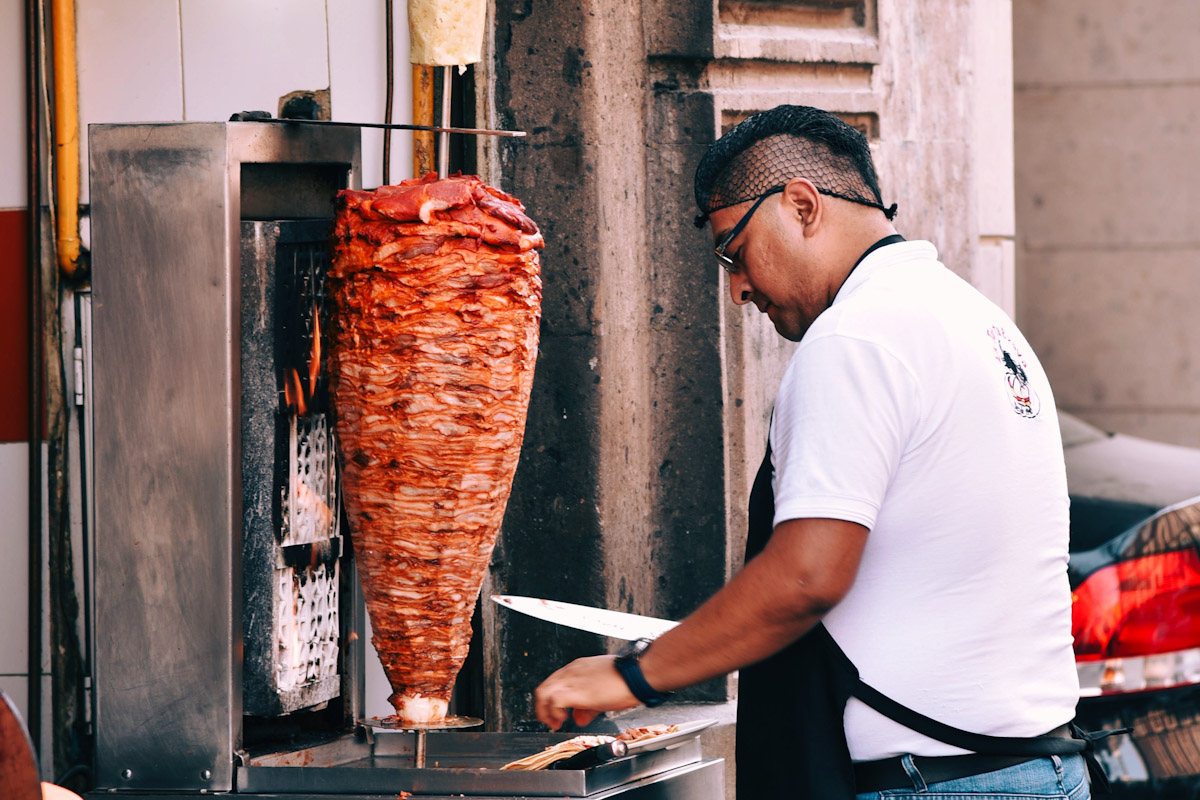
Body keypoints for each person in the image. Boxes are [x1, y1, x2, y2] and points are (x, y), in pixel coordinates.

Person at [533, 105, 1096, 799]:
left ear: (801, 205)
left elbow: (807, 576)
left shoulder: (854, 339)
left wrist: (630, 676)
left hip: (932, 782)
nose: (737, 288)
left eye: (733, 252)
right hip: (1038, 770)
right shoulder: (976, 319)